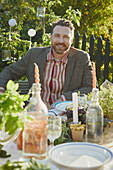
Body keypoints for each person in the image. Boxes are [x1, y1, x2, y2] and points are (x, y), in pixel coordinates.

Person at [0, 19, 93, 109]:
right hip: (36, 113)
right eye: (57, 36)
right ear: (50, 37)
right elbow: (10, 71)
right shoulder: (34, 55)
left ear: (71, 40)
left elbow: (90, 87)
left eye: (66, 37)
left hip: (67, 114)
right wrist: (1, 88)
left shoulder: (82, 58)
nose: (61, 41)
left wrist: (64, 99)